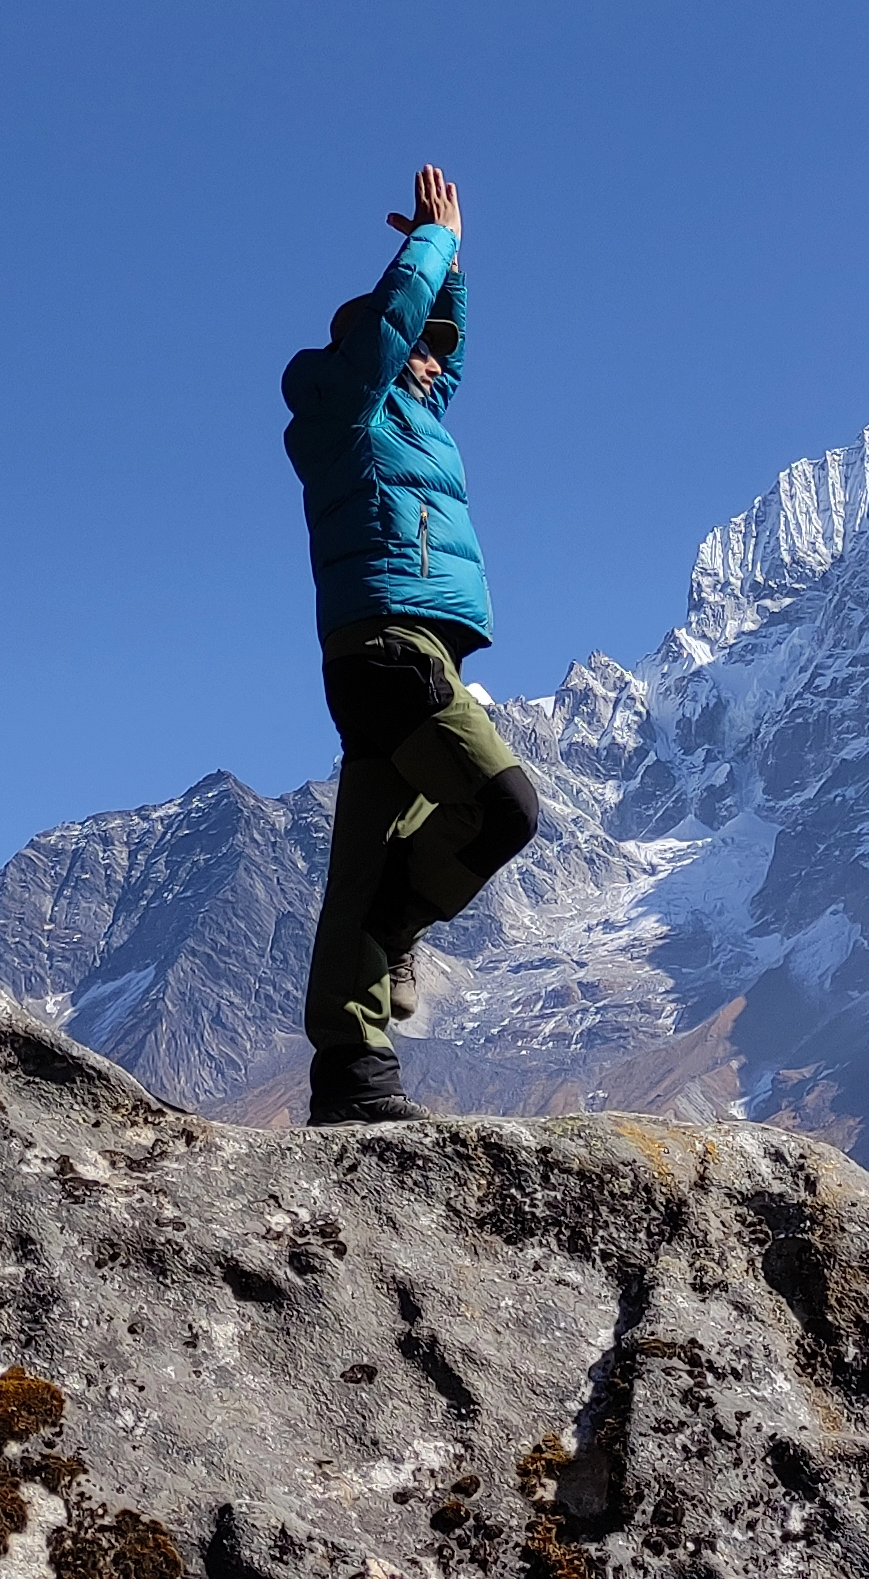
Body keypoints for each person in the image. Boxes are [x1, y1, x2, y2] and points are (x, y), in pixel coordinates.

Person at [279, 163, 543, 1126]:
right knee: (505, 808)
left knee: (362, 862)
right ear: (374, 347)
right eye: (417, 345)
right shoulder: (338, 415)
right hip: (385, 649)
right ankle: (392, 932)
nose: (436, 360)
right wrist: (426, 248)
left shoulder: (414, 418)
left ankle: (352, 1078)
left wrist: (454, 262)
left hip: (419, 653)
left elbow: (447, 350)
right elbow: (396, 333)